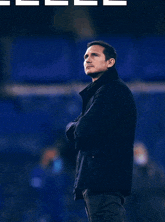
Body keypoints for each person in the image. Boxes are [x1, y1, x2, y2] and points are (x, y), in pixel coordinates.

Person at [65, 40, 137, 222]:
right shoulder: (101, 91)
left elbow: (82, 130)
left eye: (94, 55)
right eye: (85, 56)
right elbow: (82, 129)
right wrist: (77, 127)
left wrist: (74, 127)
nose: (88, 59)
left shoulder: (111, 90)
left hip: (104, 180)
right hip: (101, 181)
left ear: (110, 62)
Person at [125, 142, 165, 222]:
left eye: (141, 152)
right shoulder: (129, 174)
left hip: (159, 215)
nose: (139, 155)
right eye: (136, 153)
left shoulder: (156, 170)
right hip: (137, 215)